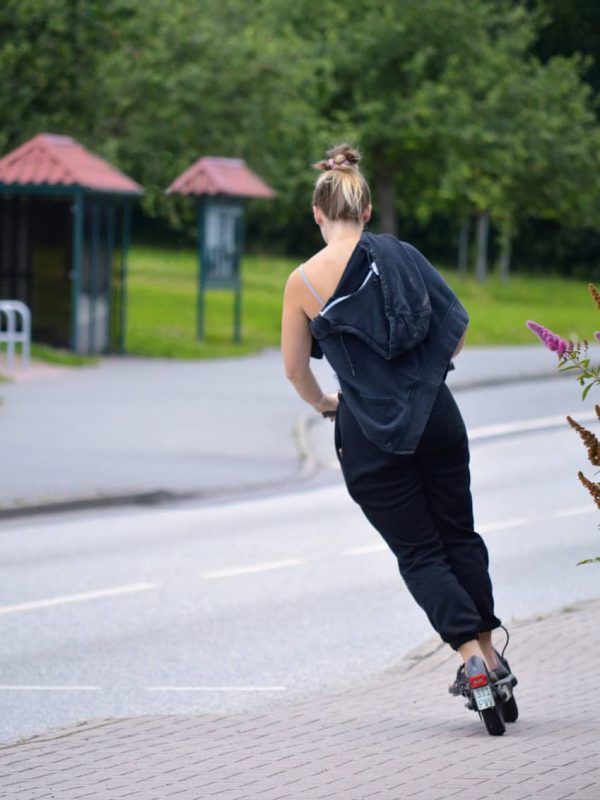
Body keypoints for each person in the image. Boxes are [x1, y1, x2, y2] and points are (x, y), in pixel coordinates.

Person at [281, 143, 517, 722]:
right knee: (460, 535)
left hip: (368, 432)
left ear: (318, 213)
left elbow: (294, 368)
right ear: (365, 212)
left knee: (418, 551)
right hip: (435, 414)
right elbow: (455, 330)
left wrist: (327, 404)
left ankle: (469, 655)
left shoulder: (303, 282)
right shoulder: (402, 255)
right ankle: (490, 652)